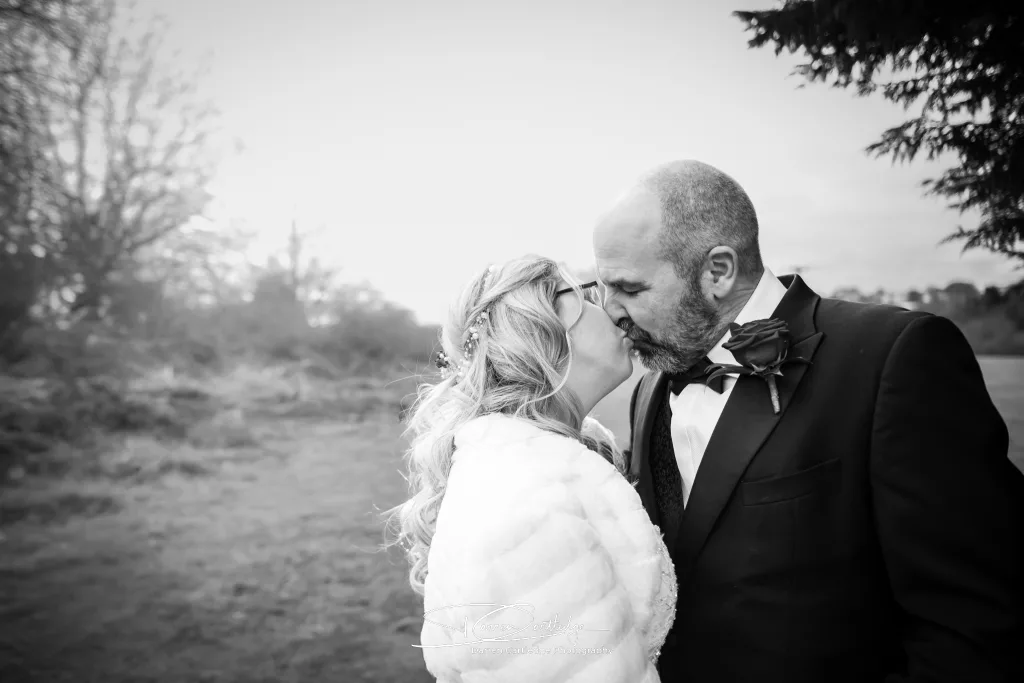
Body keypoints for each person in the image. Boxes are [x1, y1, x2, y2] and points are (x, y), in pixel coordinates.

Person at [595, 159, 1024, 682]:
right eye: (602, 290)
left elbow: (973, 619)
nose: (610, 312)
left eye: (631, 290)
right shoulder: (649, 390)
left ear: (718, 271)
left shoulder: (892, 359)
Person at [388, 256, 677, 682]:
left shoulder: (543, 465)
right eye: (590, 295)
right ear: (541, 330)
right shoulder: (525, 499)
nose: (616, 309)